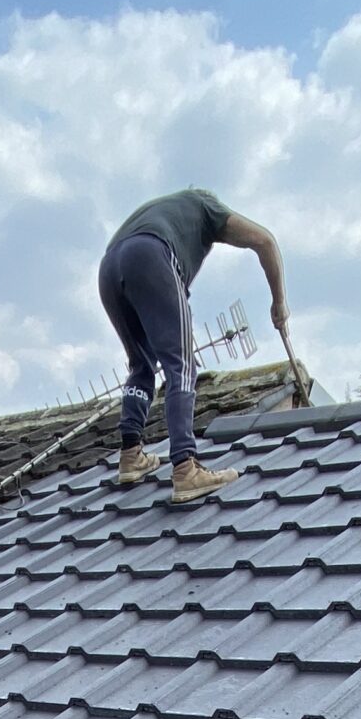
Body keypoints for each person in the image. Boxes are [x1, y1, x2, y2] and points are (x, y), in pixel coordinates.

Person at [98, 187, 287, 504]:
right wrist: (279, 303)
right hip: (150, 255)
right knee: (182, 365)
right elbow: (264, 241)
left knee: (141, 364)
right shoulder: (205, 205)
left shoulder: (166, 209)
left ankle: (130, 454)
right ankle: (186, 468)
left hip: (109, 267)